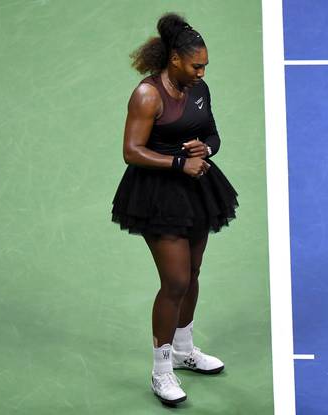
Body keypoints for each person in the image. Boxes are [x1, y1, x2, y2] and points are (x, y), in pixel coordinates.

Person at [111, 12, 238, 405]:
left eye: (205, 65)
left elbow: (212, 132)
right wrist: (181, 162)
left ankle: (184, 351)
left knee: (193, 272)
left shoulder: (200, 88)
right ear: (175, 61)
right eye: (196, 65)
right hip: (157, 194)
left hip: (197, 189)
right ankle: (161, 370)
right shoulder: (148, 94)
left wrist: (207, 149)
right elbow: (131, 151)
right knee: (176, 282)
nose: (202, 71)